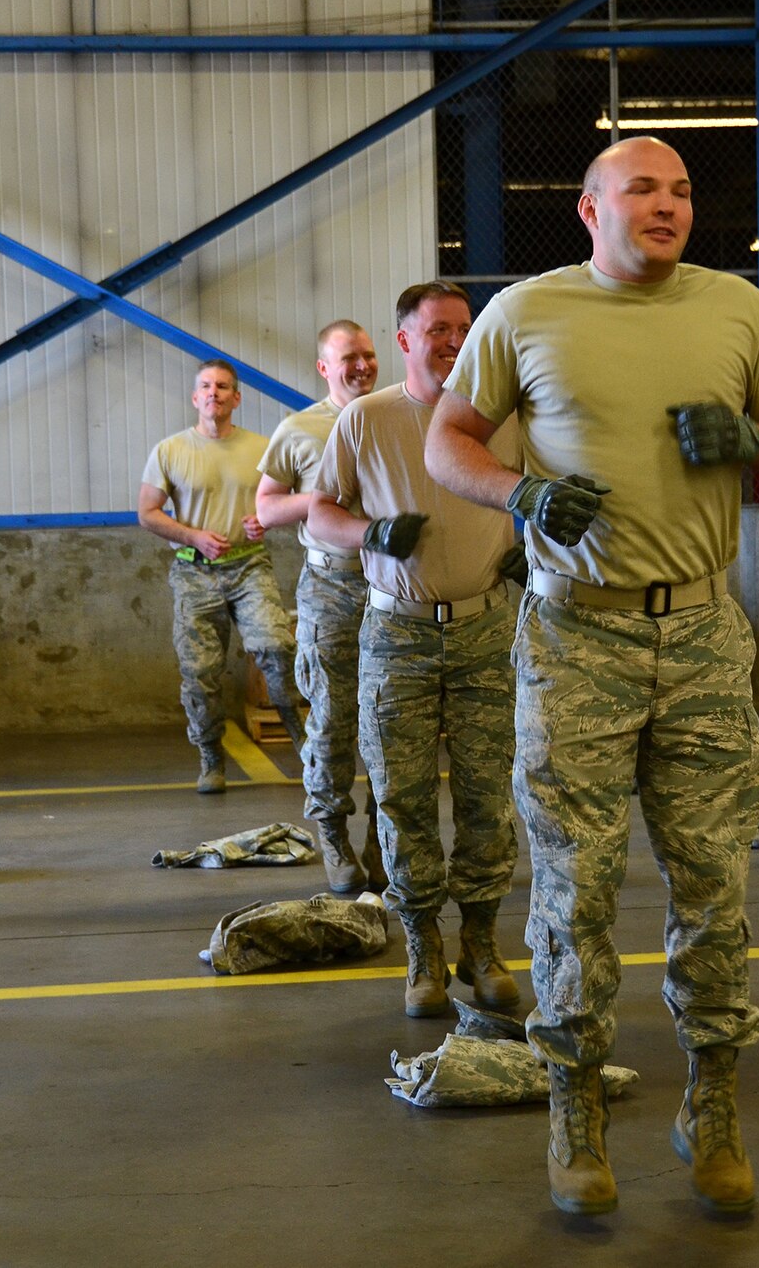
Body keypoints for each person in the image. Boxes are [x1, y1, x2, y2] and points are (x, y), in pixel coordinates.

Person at [427, 136, 759, 1216]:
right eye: (640, 188)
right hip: (574, 638)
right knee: (573, 888)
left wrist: (751, 434)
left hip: (698, 630)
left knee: (714, 887)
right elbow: (446, 439)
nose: (666, 205)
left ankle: (714, 1104)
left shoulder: (738, 310)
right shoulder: (525, 312)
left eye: (682, 189)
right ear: (587, 206)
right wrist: (515, 494)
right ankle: (574, 1110)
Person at [310, 281, 525, 1017]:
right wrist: (366, 534)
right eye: (437, 328)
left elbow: (531, 496)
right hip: (396, 629)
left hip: (486, 626)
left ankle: (484, 945)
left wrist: (525, 550)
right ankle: (422, 950)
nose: (453, 339)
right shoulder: (368, 419)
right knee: (402, 801)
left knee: (488, 800)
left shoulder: (502, 417)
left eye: (463, 326)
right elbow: (319, 511)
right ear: (405, 340)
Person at [137, 359, 301, 792]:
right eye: (206, 386)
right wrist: (192, 535)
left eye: (223, 387)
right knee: (199, 672)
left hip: (250, 566)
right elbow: (147, 513)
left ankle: (304, 744)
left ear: (236, 398)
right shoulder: (170, 451)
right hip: (195, 571)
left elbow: (292, 501)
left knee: (276, 648)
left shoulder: (263, 449)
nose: (214, 393)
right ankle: (211, 758)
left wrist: (266, 521)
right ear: (195, 398)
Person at [257, 322, 382, 889]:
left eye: (370, 356)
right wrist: (321, 497)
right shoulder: (300, 429)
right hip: (332, 587)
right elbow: (266, 508)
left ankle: (384, 840)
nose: (361, 366)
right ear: (324, 368)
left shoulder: (393, 414)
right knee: (332, 718)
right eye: (349, 358)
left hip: (393, 587)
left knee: (392, 720)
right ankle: (332, 835)